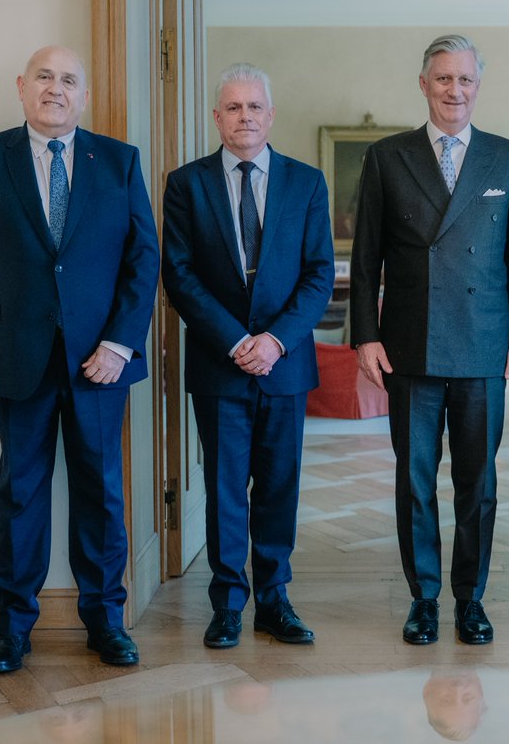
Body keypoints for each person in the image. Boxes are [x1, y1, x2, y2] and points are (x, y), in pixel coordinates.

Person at [0, 45, 160, 674]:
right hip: (15, 358)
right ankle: (11, 631)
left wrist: (119, 344)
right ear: (21, 87)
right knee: (21, 493)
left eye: (68, 80)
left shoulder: (118, 161)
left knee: (101, 494)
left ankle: (105, 623)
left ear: (83, 96)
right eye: (44, 77)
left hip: (100, 364)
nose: (56, 89)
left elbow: (144, 261)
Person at [351, 35, 509, 646]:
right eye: (443, 79)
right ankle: (423, 598)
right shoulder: (387, 156)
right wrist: (366, 338)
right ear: (424, 83)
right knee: (415, 478)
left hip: (485, 346)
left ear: (477, 86)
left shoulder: (508, 158)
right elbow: (368, 256)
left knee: (479, 484)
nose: (454, 90)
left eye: (465, 80)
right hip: (410, 345)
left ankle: (471, 599)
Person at [161, 63, 334, 649]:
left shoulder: (306, 183)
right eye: (233, 108)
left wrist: (275, 340)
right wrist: (236, 341)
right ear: (217, 117)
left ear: (271, 114)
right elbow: (180, 276)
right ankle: (229, 603)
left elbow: (318, 275)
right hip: (219, 363)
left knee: (279, 485)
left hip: (285, 363)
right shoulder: (186, 184)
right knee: (226, 487)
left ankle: (275, 600)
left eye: (254, 107)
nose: (244, 117)